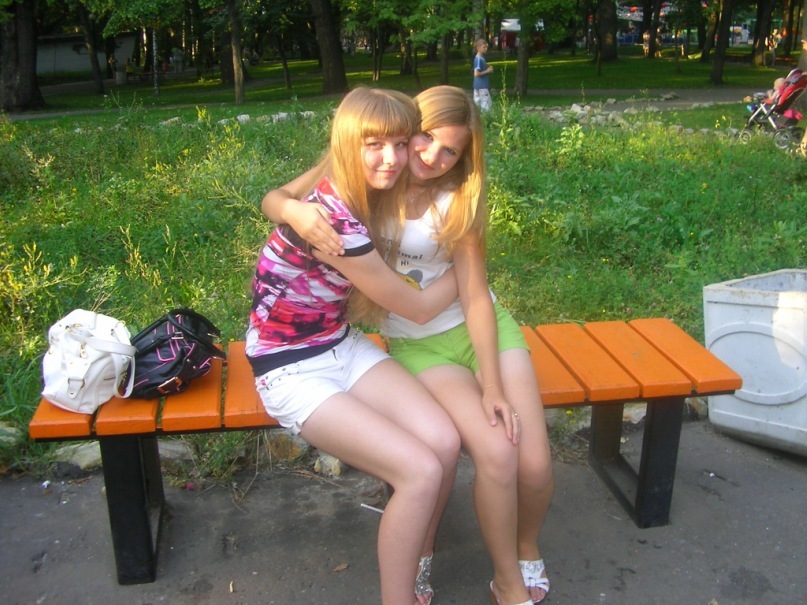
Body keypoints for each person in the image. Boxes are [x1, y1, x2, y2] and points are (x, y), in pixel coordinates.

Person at [264, 86, 555, 605]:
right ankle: (449, 567)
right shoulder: (359, 190)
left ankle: (511, 551)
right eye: (420, 139)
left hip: (419, 335)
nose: (420, 156)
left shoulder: (444, 193)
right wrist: (292, 209)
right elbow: (277, 198)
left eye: (449, 150)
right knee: (469, 457)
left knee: (513, 459)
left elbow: (475, 298)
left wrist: (491, 378)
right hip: (373, 350)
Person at [247, 87, 462, 605]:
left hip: (340, 344)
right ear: (349, 143)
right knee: (420, 471)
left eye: (400, 144)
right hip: (289, 368)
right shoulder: (338, 222)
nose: (391, 159)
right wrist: (470, 266)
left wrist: (287, 208)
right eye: (375, 145)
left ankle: (418, 557)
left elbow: (272, 197)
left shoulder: (351, 178)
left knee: (445, 442)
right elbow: (417, 308)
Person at [473, 39, 494, 112]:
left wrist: (488, 67)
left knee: (478, 106)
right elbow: (476, 73)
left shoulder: (481, 58)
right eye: (484, 47)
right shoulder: (478, 59)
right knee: (486, 107)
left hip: (478, 86)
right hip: (482, 86)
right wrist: (487, 71)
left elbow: (481, 68)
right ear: (478, 48)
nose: (486, 49)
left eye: (486, 47)